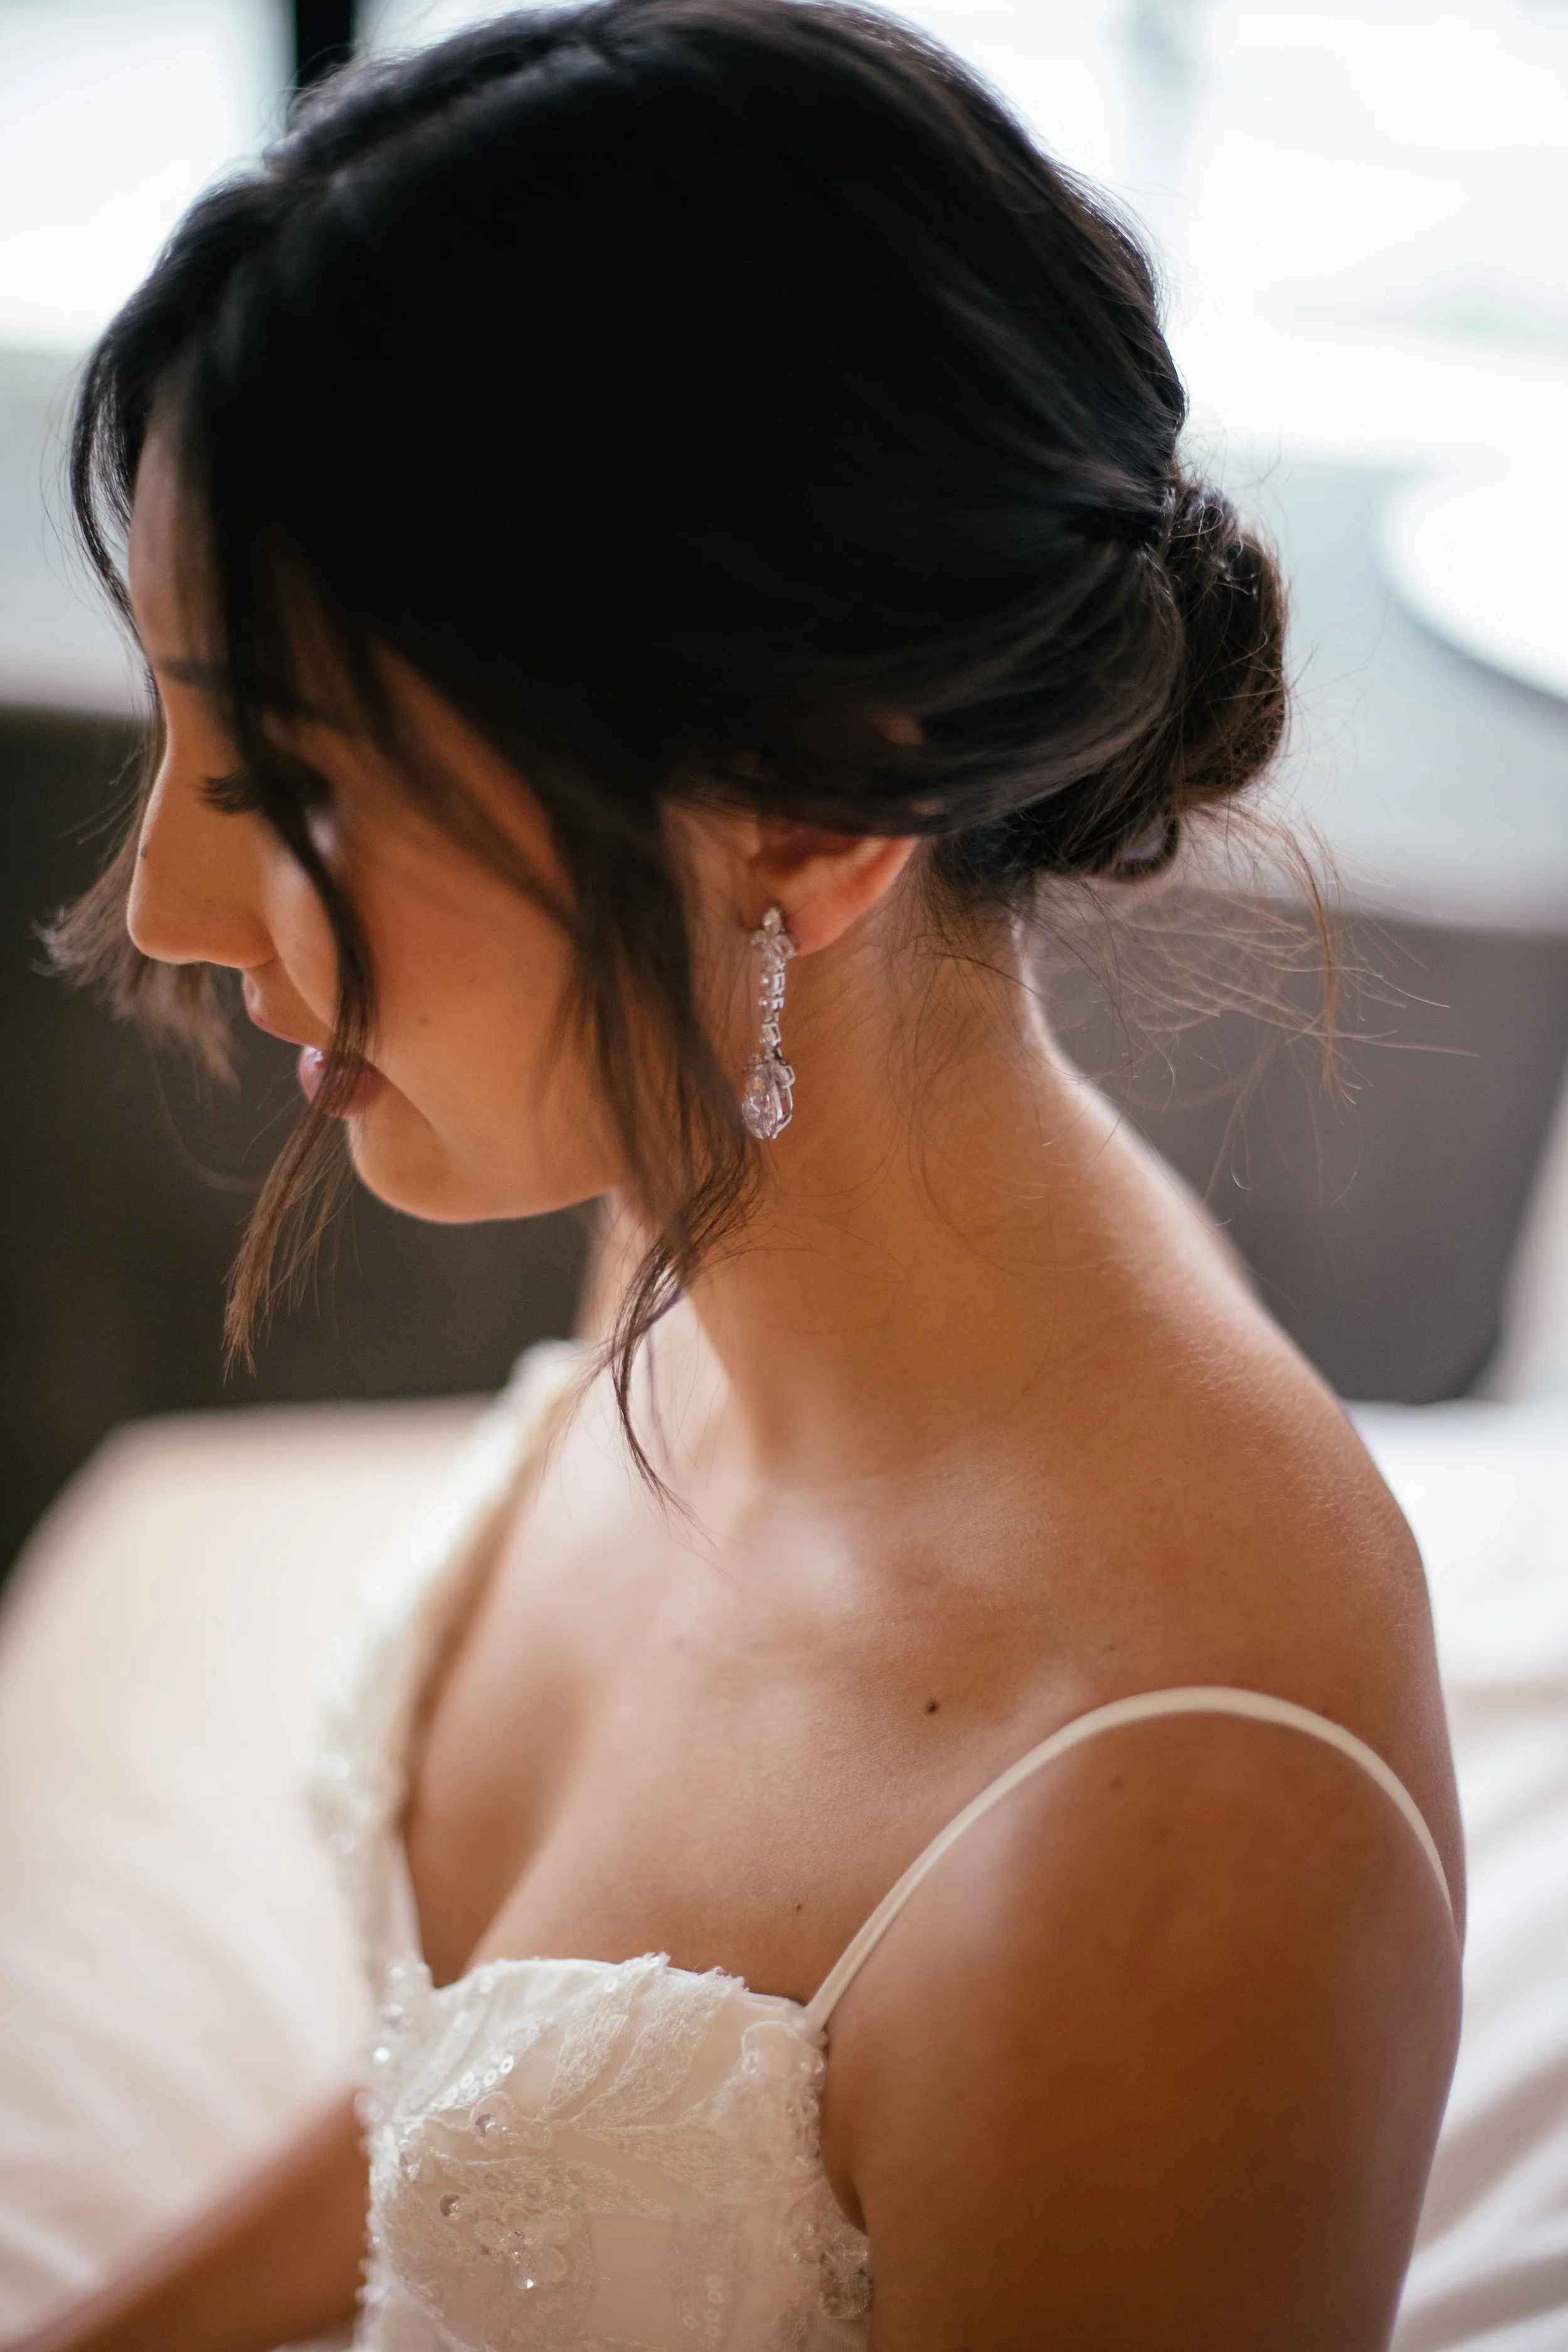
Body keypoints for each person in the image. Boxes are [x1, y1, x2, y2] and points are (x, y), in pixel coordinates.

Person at [16, 4, 1463, 2345]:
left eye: (282, 782)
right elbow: (455, 2105)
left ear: (798, 810)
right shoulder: (705, 1179)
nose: (168, 911)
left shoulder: (1172, 1831)